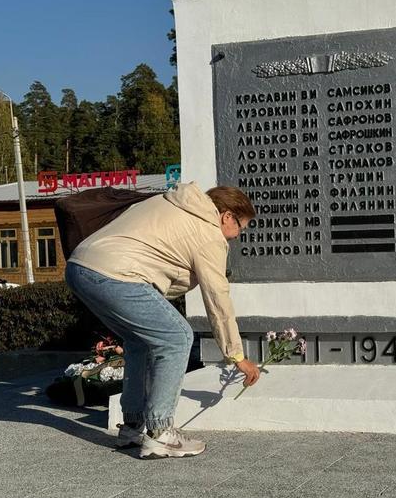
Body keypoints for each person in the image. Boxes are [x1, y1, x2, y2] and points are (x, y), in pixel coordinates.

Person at [65, 182, 260, 459]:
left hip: (79, 268)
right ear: (227, 216)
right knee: (178, 337)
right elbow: (218, 299)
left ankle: (132, 426)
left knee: (139, 341)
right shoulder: (208, 232)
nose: (238, 235)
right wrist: (236, 354)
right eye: (241, 227)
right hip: (116, 274)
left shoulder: (169, 202)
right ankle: (160, 433)